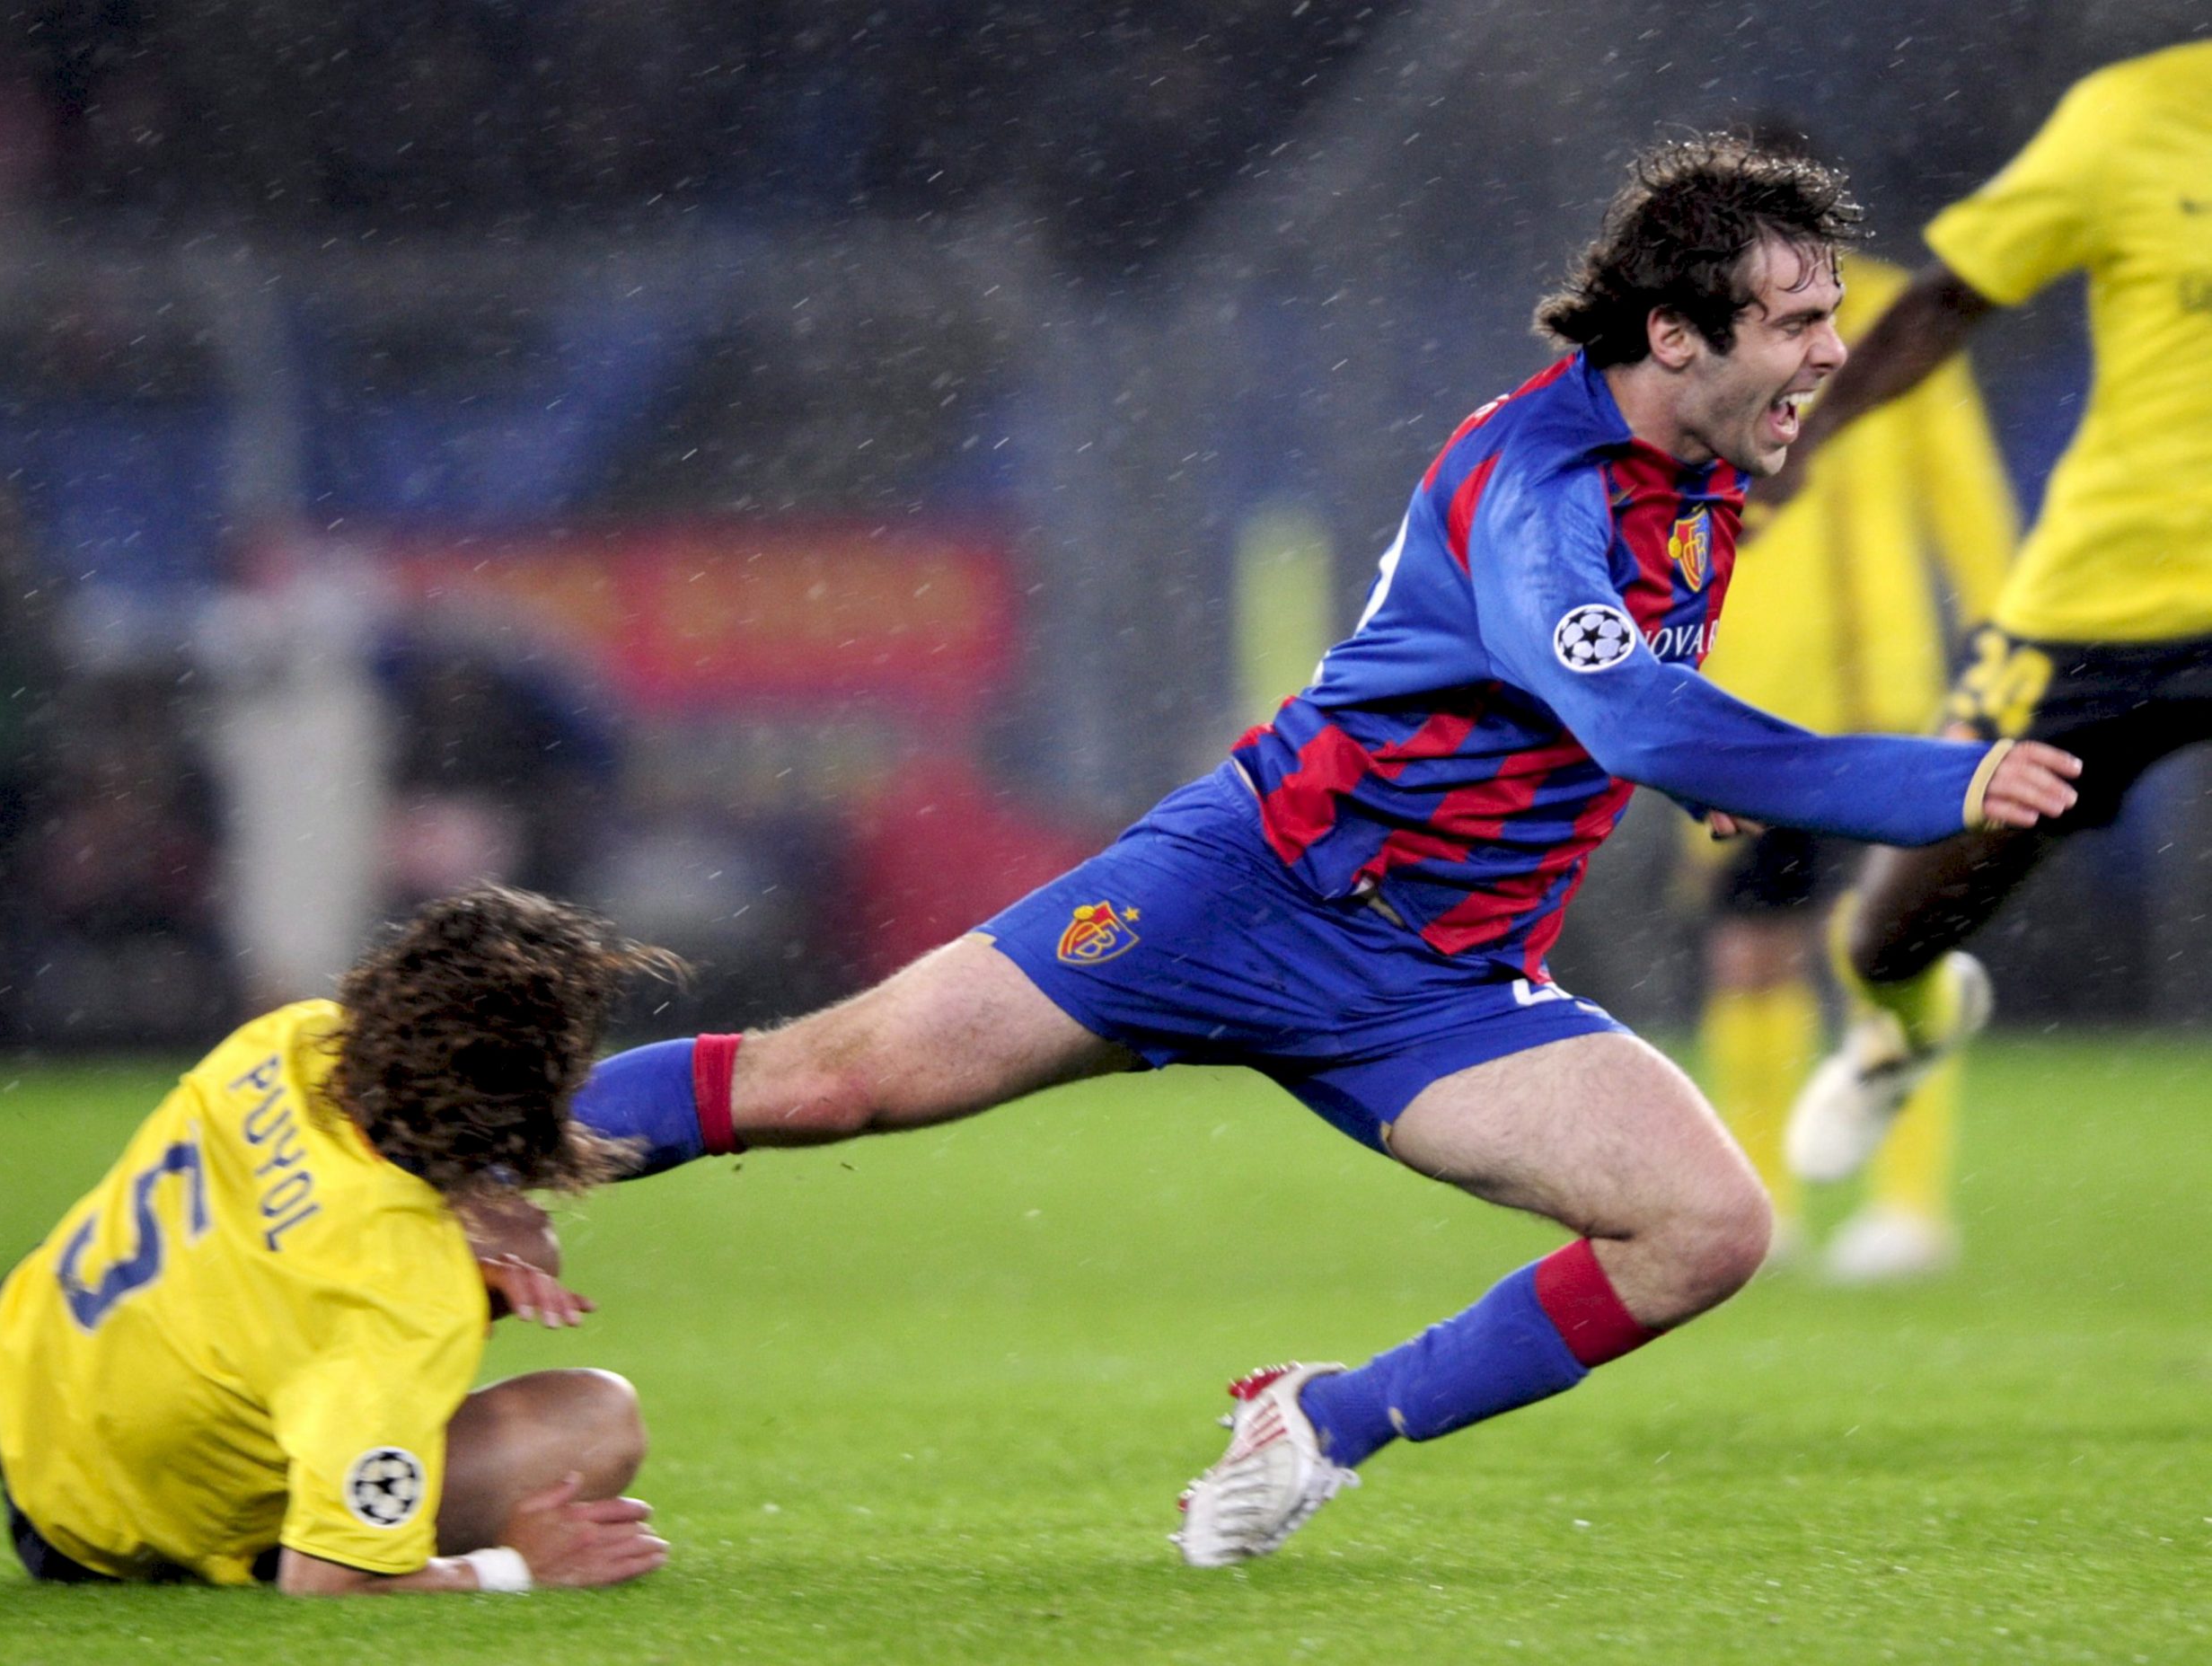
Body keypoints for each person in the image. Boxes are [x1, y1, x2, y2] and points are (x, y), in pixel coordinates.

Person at [573, 136, 2081, 1568]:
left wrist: (1678, 766)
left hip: (1437, 981)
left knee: (1704, 1229)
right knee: (829, 1084)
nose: (1833, 348)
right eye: (1798, 319)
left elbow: (1597, 695)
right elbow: (1634, 713)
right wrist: (1944, 781)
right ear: (1677, 335)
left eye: (1831, 313)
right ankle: (427, 1148)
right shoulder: (1546, 486)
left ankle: (1319, 1424)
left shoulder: (1702, 467)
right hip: (1245, 891)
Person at [1776, 39, 2212, 1189]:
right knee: (1886, 935)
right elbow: (1947, 299)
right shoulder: (2131, 119)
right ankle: (1906, 1024)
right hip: (2107, 605)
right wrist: (1807, 434)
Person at [0, 885, 674, 1594]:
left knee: (517, 1237)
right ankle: (270, 1526)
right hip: (98, 1524)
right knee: (597, 1422)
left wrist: (458, 1276)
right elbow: (329, 1582)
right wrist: (514, 1566)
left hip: (23, 1363)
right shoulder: (398, 1299)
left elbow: (300, 1240)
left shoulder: (289, 1038)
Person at [1693, 234, 2016, 1282]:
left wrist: (2010, 638)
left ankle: (1909, 1208)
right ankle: (1759, 1204)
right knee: (1751, 951)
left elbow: (1962, 496)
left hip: (1883, 691)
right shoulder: (1695, 335)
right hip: (1743, 694)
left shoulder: (1889, 322)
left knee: (1887, 941)